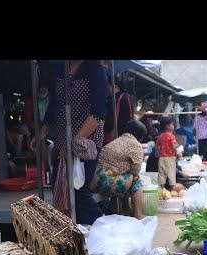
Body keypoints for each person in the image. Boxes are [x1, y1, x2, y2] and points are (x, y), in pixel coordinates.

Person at [41, 60, 109, 225]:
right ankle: (73, 232)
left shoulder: (96, 70)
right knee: (60, 187)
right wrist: (42, 131)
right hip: (62, 140)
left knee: (78, 188)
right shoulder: (59, 69)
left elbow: (97, 113)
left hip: (87, 140)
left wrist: (75, 140)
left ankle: (101, 226)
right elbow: (54, 105)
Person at [91, 120, 147, 219]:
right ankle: (138, 214)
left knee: (125, 178)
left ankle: (124, 211)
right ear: (140, 135)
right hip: (106, 183)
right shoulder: (135, 145)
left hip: (94, 181)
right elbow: (136, 170)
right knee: (136, 179)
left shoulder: (116, 141)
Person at [103, 73, 135, 146]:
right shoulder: (110, 99)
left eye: (108, 86)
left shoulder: (125, 98)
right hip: (110, 137)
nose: (107, 89)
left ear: (114, 87)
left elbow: (129, 119)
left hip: (120, 137)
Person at [156, 117, 180, 189]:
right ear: (167, 126)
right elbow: (174, 146)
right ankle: (173, 189)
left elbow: (157, 147)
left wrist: (161, 152)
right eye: (172, 124)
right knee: (171, 174)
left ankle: (162, 189)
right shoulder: (171, 136)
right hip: (170, 158)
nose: (173, 126)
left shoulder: (160, 136)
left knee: (162, 174)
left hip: (161, 158)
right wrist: (178, 152)